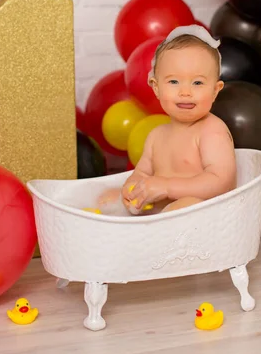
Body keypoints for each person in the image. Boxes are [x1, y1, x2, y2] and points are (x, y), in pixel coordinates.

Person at [99, 25, 236, 215]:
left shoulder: (212, 130)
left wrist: (167, 187)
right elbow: (142, 174)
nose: (185, 92)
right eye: (173, 81)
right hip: (160, 218)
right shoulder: (156, 136)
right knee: (106, 198)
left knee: (185, 206)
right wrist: (132, 187)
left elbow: (220, 181)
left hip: (206, 218)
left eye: (197, 82)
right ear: (156, 88)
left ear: (215, 90)